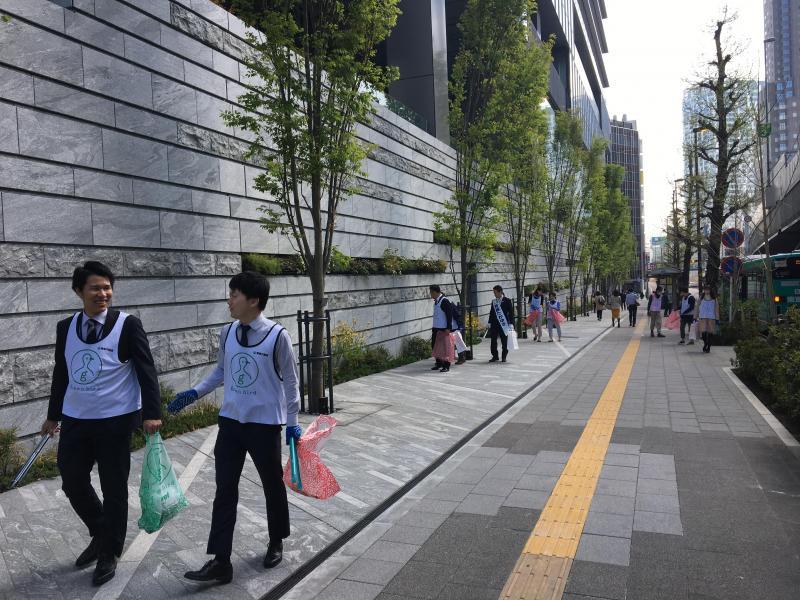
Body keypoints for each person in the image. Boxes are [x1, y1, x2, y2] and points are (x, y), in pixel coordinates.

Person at [170, 272, 300, 584]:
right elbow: (220, 371)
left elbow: (293, 384)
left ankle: (276, 539)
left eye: (234, 295)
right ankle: (221, 561)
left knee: (271, 485)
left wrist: (293, 425)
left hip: (265, 425)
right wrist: (194, 393)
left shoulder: (277, 336)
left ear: (253, 300)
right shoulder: (228, 332)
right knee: (224, 489)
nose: (229, 300)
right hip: (230, 424)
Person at [41, 261, 162, 587]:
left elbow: (146, 370)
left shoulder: (127, 325)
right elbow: (62, 373)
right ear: (79, 291)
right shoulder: (66, 327)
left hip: (115, 421)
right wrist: (53, 415)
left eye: (107, 287)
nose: (103, 293)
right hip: (76, 421)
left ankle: (109, 551)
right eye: (96, 287)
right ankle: (100, 531)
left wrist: (152, 412)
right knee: (72, 480)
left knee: (113, 488)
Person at [428, 285, 456, 372]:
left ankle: (446, 365)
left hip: (444, 329)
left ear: (435, 292)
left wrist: (448, 327)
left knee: (445, 348)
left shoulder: (444, 301)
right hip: (436, 328)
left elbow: (449, 315)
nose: (430, 294)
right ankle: (439, 363)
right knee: (435, 346)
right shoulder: (436, 301)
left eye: (431, 292)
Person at [488, 285, 514, 362]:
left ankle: (504, 357)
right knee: (493, 341)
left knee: (504, 341)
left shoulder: (507, 301)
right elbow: (491, 313)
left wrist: (511, 323)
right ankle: (495, 356)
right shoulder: (494, 302)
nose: (494, 294)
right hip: (494, 324)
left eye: (495, 292)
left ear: (500, 292)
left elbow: (511, 313)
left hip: (504, 324)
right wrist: (489, 322)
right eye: (494, 293)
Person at [694, 283, 720, 353]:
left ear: (710, 290)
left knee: (711, 333)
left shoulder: (714, 299)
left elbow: (716, 309)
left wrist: (717, 318)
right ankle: (705, 343)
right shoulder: (701, 298)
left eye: (708, 290)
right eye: (705, 290)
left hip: (712, 318)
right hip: (703, 317)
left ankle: (708, 346)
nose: (707, 291)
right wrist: (695, 316)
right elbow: (697, 307)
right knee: (703, 333)